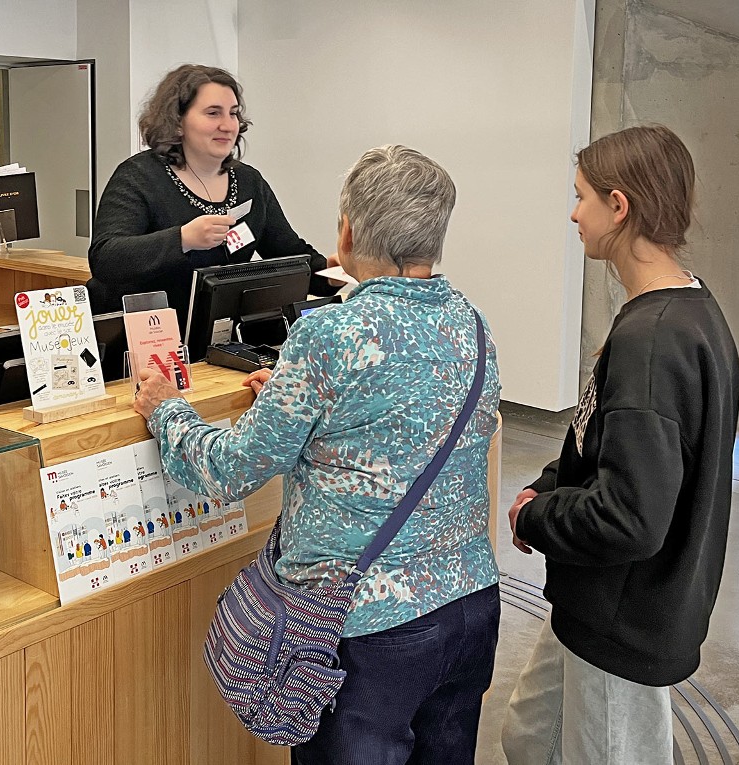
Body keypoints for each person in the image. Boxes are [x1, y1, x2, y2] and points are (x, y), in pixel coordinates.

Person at [133, 145, 501, 765]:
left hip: (367, 627)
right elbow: (404, 419)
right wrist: (294, 404)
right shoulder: (472, 322)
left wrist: (167, 409)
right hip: (470, 606)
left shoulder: (330, 334)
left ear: (348, 232)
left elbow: (229, 469)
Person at [501, 125, 739, 764]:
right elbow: (605, 438)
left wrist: (536, 518)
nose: (573, 214)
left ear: (619, 206)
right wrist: (550, 485)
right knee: (529, 736)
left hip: (623, 615)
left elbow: (628, 517)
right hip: (595, 603)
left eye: (582, 197)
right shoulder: (684, 308)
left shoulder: (653, 340)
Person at [87, 64, 336, 329]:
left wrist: (332, 273)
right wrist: (182, 239)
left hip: (211, 334)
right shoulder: (139, 176)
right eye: (213, 113)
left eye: (233, 114)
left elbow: (289, 256)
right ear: (177, 122)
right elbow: (106, 258)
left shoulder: (249, 181)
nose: (227, 126)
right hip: (139, 336)